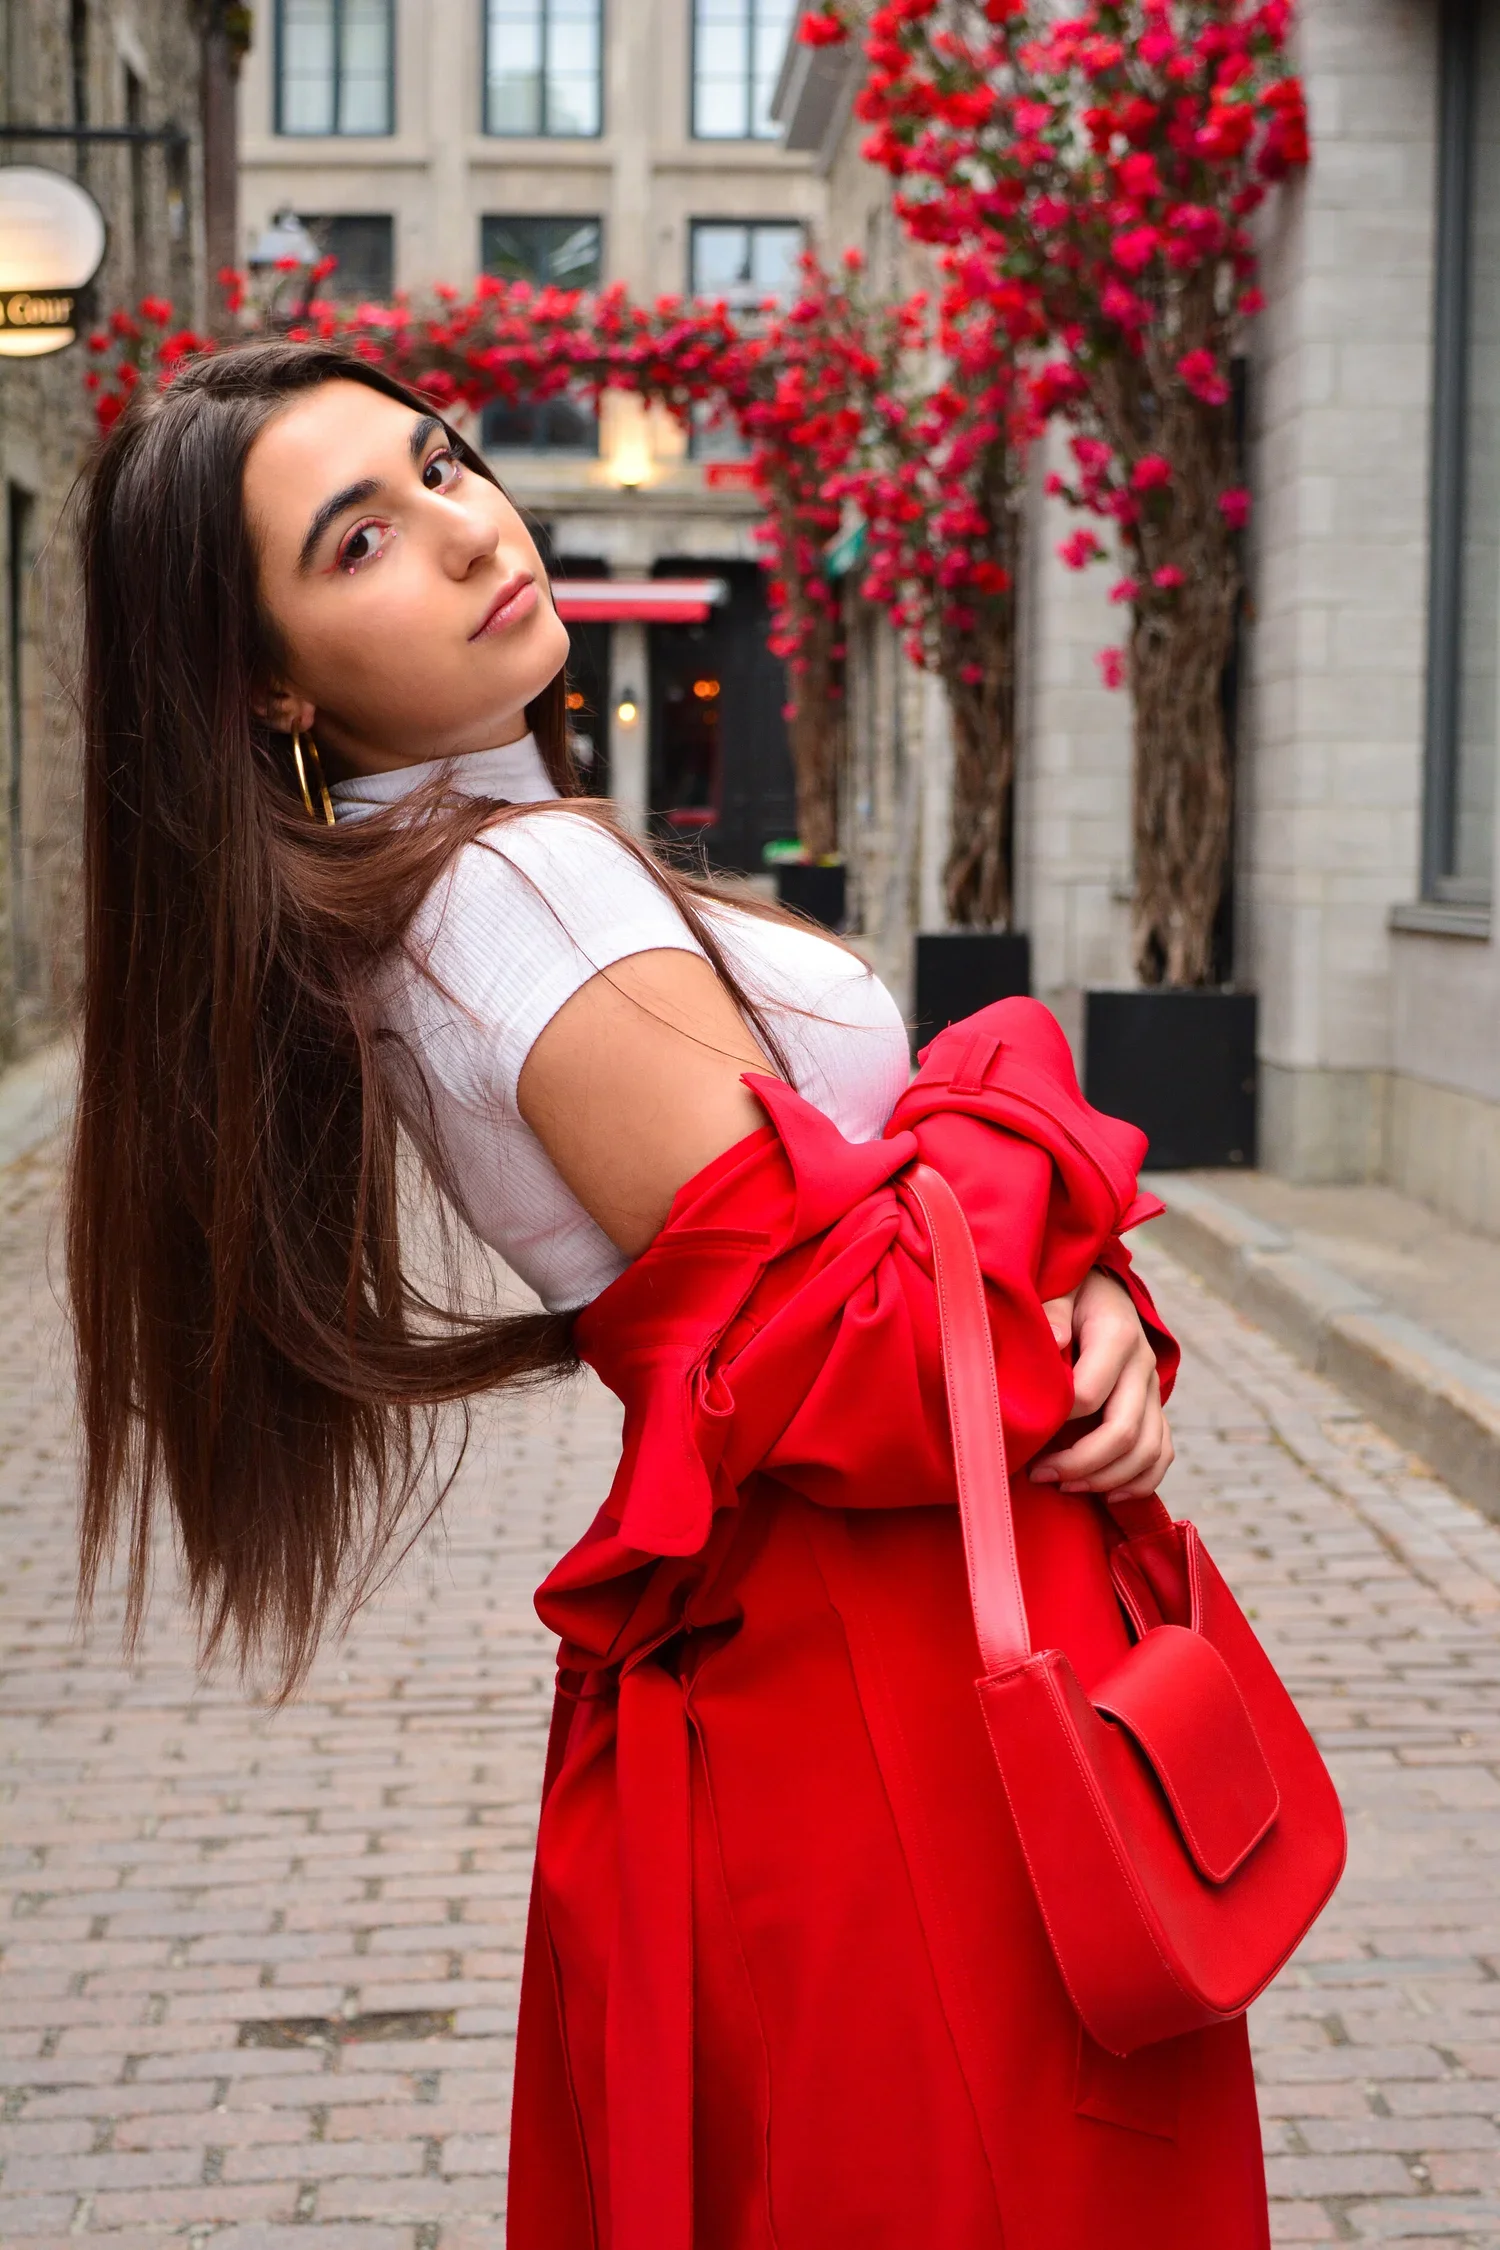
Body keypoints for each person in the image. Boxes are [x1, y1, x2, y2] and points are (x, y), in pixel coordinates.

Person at [67, 342, 1267, 2246]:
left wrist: (1071, 1273)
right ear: (271, 679)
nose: (469, 528)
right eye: (363, 534)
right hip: (895, 1662)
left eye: (442, 462)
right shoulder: (518, 888)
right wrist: (1032, 1100)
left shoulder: (439, 883)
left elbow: (858, 1276)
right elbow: (855, 1337)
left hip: (827, 1642)